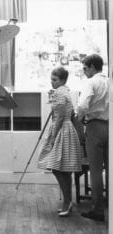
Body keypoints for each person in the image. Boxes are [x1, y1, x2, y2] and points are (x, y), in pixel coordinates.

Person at [37, 67, 84, 217]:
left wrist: (53, 137)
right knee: (62, 168)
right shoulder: (65, 91)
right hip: (67, 128)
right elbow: (68, 114)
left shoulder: (60, 93)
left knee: (59, 169)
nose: (52, 82)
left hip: (62, 129)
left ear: (63, 80)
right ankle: (67, 201)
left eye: (55, 79)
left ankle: (67, 201)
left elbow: (60, 117)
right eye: (51, 79)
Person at [76, 54, 108, 221]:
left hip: (95, 126)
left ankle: (97, 210)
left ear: (93, 67)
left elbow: (82, 105)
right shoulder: (109, 81)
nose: (84, 71)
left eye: (85, 68)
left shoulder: (91, 82)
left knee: (95, 171)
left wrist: (80, 117)